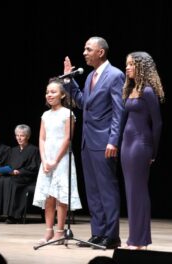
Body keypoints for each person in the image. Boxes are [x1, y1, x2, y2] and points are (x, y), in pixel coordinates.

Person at [63, 36, 125, 249]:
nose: (84, 52)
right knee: (93, 191)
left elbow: (119, 111)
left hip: (105, 141)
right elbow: (83, 103)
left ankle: (112, 235)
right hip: (87, 142)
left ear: (101, 52)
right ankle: (98, 233)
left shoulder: (115, 75)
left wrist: (114, 141)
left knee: (107, 190)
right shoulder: (90, 76)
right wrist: (69, 81)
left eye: (88, 49)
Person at [120, 51, 164, 250]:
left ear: (141, 66)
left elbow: (158, 123)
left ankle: (140, 240)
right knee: (131, 192)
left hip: (141, 145)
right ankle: (134, 238)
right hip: (126, 146)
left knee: (138, 191)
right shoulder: (131, 89)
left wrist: (153, 152)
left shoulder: (147, 91)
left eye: (131, 64)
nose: (127, 67)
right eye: (127, 64)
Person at [32, 79, 82, 245]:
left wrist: (55, 161)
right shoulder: (45, 115)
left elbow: (68, 138)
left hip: (62, 159)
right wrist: (45, 159)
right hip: (47, 160)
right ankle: (49, 231)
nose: (49, 95)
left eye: (53, 92)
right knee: (48, 196)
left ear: (62, 94)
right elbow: (41, 138)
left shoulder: (67, 113)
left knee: (60, 196)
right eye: (47, 92)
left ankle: (60, 232)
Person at [0, 124, 40, 224]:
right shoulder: (13, 150)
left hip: (26, 177)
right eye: (17, 135)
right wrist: (2, 171)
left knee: (12, 182)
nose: (19, 138)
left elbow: (34, 167)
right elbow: (8, 165)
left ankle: (13, 215)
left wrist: (20, 171)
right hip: (12, 174)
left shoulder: (34, 150)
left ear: (28, 136)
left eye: (22, 135)